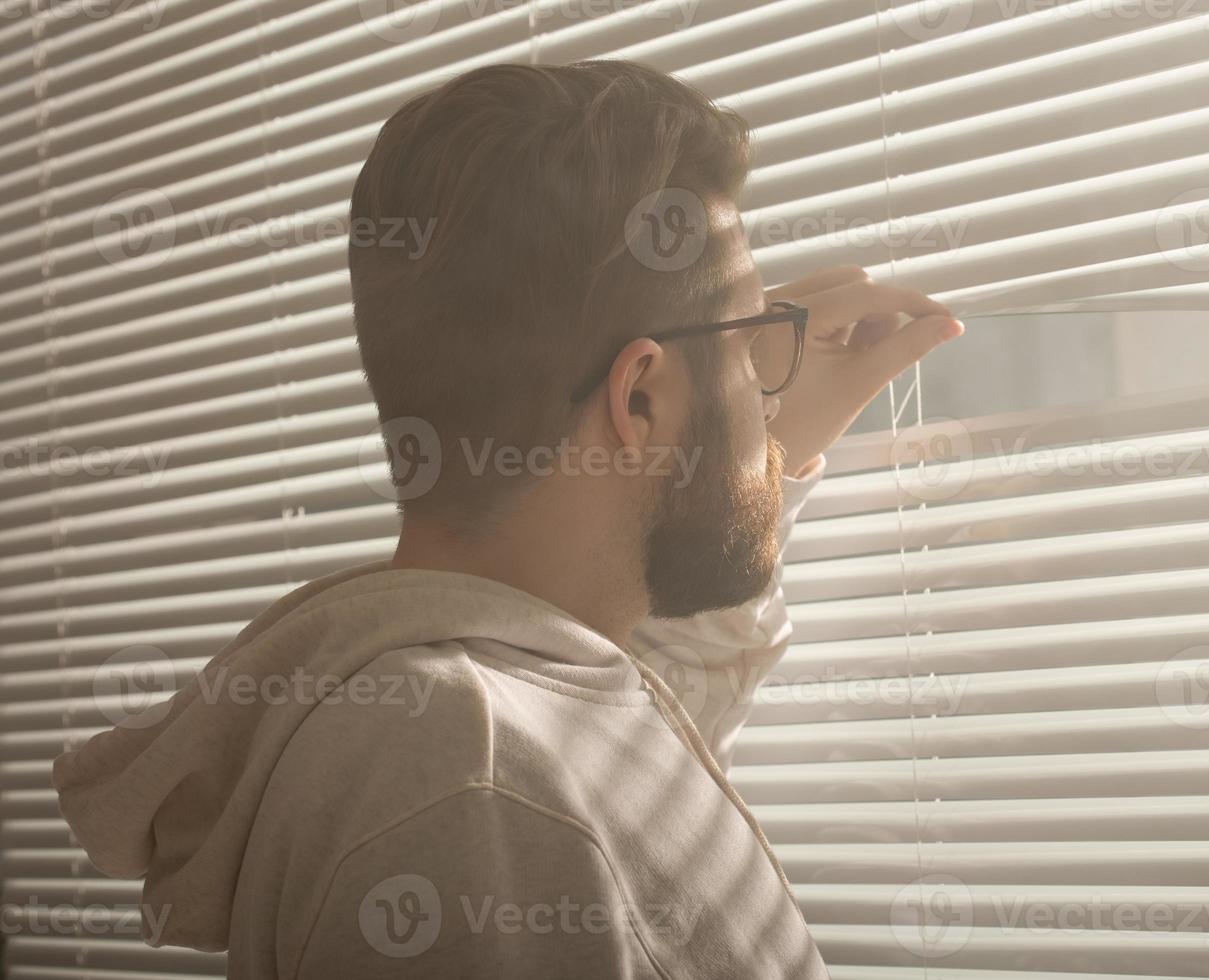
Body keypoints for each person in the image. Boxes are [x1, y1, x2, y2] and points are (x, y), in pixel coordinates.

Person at [52, 59, 964, 979]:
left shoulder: (516, 705)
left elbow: (642, 767)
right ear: (640, 401)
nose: (766, 386)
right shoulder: (460, 775)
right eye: (746, 341)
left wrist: (750, 446)